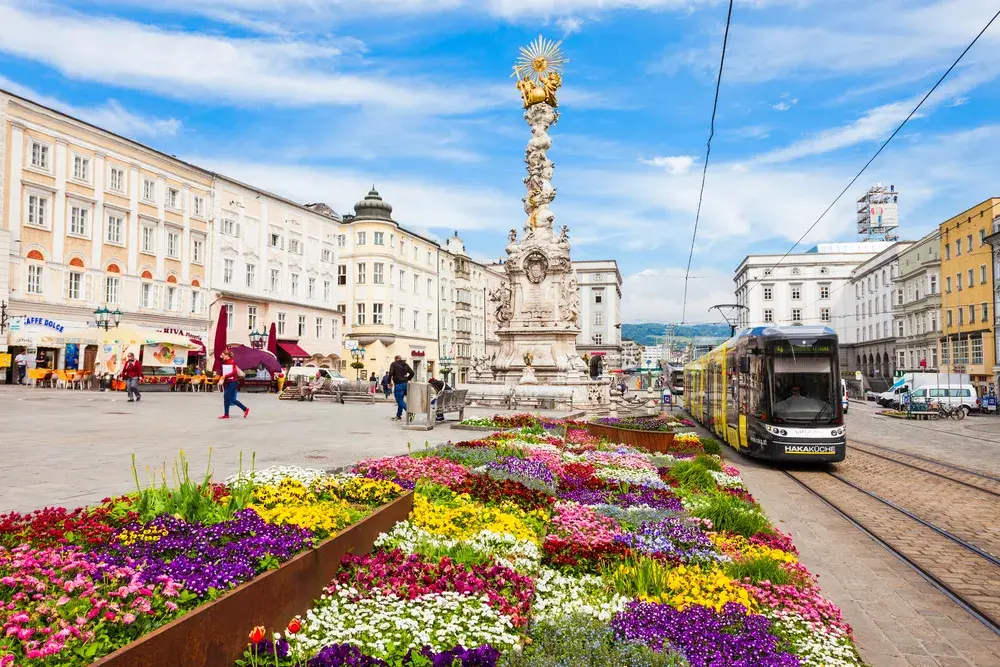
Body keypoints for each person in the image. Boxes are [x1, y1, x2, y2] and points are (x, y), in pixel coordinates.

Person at [219, 350, 249, 419]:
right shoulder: (225, 362)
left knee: (231, 399)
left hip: (233, 382)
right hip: (228, 382)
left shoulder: (232, 362)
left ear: (227, 356)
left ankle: (245, 409)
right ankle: (226, 414)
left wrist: (225, 376)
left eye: (223, 355)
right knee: (226, 397)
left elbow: (234, 372)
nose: (222, 357)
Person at [388, 354, 415, 421]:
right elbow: (412, 373)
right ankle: (398, 415)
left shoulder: (393, 364)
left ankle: (410, 412)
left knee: (399, 400)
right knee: (401, 400)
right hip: (405, 384)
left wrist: (389, 382)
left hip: (398, 384)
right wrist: (407, 379)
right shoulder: (405, 364)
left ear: (395, 359)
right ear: (400, 358)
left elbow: (390, 373)